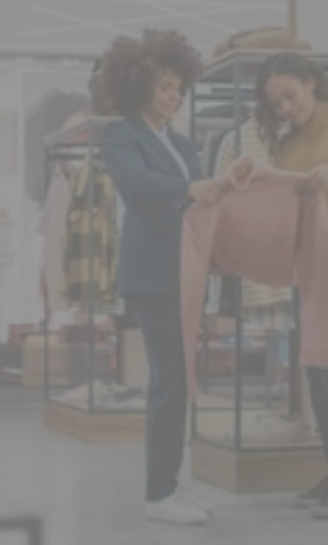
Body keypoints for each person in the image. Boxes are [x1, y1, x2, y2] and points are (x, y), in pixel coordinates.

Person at [94, 29, 231, 526]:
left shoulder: (179, 141)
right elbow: (138, 184)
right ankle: (158, 494)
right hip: (153, 272)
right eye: (165, 86)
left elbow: (200, 204)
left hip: (187, 269)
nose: (173, 96)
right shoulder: (121, 134)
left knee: (180, 379)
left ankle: (171, 484)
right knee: (170, 379)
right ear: (138, 85)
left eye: (178, 87)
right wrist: (194, 187)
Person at [249, 52, 328, 519]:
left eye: (290, 95)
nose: (285, 108)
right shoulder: (287, 142)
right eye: (276, 103)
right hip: (308, 261)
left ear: (310, 82)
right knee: (317, 371)